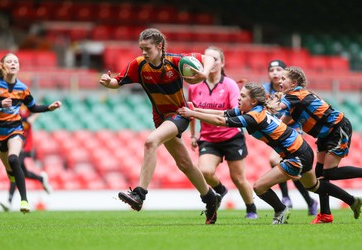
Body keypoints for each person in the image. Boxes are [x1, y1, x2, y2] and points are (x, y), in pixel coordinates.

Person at [177, 82, 362, 224]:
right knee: (314, 186)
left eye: (242, 96)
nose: (238, 99)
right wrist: (195, 110)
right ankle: (352, 200)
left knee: (259, 187)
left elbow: (219, 120)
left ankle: (281, 210)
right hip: (302, 149)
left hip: (296, 154)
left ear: (254, 101)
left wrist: (192, 114)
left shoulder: (253, 117)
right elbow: (223, 113)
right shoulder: (252, 110)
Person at [99, 28, 221, 224]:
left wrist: (204, 73)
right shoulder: (138, 65)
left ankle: (139, 194)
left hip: (180, 114)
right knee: (184, 164)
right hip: (161, 118)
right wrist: (108, 82)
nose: (144, 53)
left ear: (159, 46)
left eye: (147, 48)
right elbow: (118, 81)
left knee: (150, 141)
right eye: (141, 49)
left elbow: (209, 58)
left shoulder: (176, 62)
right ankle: (210, 197)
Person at [0, 53, 62, 214]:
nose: (13, 63)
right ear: (3, 65)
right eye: (9, 61)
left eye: (16, 61)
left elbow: (33, 108)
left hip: (15, 129)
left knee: (14, 158)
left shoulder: (22, 88)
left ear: (19, 66)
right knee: (9, 169)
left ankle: (24, 200)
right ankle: (12, 176)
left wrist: (48, 108)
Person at [278, 66, 362, 224]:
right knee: (320, 174)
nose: (279, 81)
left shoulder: (295, 94)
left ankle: (348, 202)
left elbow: (277, 107)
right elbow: (281, 124)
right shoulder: (293, 100)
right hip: (326, 133)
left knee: (329, 173)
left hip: (337, 128)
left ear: (294, 82)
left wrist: (262, 103)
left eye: (283, 78)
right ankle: (325, 214)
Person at [187, 46, 258, 219]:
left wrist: (212, 117)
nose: (211, 63)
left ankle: (251, 209)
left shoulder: (230, 85)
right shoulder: (194, 86)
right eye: (207, 59)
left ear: (222, 63)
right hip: (208, 138)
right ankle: (220, 190)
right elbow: (191, 111)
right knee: (204, 171)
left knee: (238, 178)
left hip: (231, 136)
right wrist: (193, 135)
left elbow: (235, 111)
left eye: (215, 59)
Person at [263, 60, 318, 215]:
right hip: (276, 133)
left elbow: (293, 114)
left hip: (292, 132)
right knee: (296, 173)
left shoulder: (293, 92)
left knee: (276, 161)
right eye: (271, 69)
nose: (275, 73)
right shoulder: (265, 90)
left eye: (278, 69)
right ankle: (309, 201)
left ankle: (286, 197)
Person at [0, 105, 52, 212]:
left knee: (14, 169)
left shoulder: (24, 104)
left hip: (25, 145)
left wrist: (33, 117)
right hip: (15, 144)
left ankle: (9, 201)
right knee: (23, 172)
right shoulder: (10, 108)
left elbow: (37, 107)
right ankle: (41, 178)